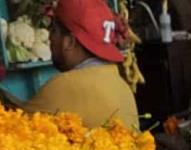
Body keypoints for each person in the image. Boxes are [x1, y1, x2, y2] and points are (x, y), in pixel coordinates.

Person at [21, 0, 139, 130]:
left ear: (69, 42)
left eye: (53, 30)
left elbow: (16, 126)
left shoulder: (63, 86)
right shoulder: (123, 87)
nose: (50, 37)